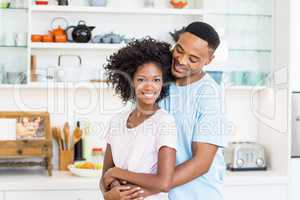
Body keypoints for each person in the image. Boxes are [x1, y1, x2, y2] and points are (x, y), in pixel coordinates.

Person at [102, 21, 229, 200]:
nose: (181, 60)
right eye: (179, 49)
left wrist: (145, 189)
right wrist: (114, 185)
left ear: (209, 60)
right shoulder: (160, 82)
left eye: (193, 59)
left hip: (197, 195)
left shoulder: (210, 96)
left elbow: (201, 162)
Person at [100, 38, 178, 200]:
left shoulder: (164, 122)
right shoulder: (117, 121)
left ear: (163, 83)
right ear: (130, 82)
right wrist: (108, 195)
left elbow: (164, 183)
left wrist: (118, 173)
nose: (150, 86)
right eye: (141, 79)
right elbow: (104, 177)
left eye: (156, 80)